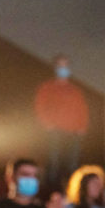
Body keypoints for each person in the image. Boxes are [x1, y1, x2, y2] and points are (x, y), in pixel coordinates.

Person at [33, 55, 89, 188]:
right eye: (60, 65)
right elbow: (40, 106)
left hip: (74, 132)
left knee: (73, 164)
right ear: (55, 67)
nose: (63, 68)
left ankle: (72, 191)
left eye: (66, 65)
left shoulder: (75, 90)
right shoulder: (47, 87)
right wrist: (47, 124)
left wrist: (83, 126)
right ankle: (51, 190)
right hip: (55, 131)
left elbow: (83, 108)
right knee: (54, 162)